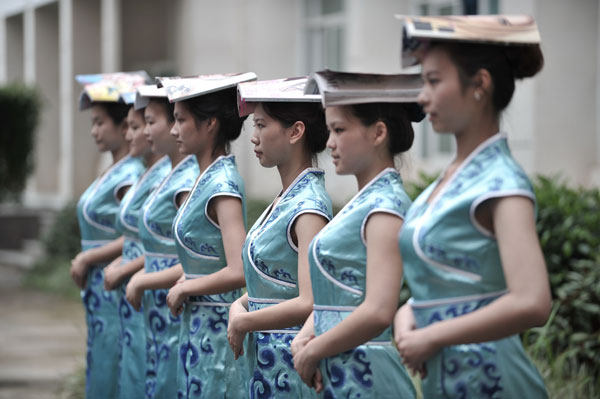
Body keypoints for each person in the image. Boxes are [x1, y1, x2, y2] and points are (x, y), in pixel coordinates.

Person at [393, 15, 551, 399]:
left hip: (493, 382)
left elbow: (533, 301)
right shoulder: (447, 181)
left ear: (479, 84)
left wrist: (432, 335)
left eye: (433, 81)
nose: (422, 97)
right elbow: (457, 277)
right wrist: (409, 312)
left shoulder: (501, 183)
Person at [291, 70, 423, 398]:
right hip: (342, 369)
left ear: (378, 133)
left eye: (339, 130)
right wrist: (306, 336)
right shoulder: (365, 201)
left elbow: (378, 310)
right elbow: (334, 297)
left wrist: (314, 348)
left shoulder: (386, 206)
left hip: (366, 375)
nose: (330, 142)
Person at [147, 73, 254, 399]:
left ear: (210, 124)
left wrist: (186, 287)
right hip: (197, 327)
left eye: (180, 120)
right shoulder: (206, 178)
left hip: (216, 332)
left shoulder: (221, 185)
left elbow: (237, 270)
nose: (174, 129)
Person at [227, 77, 332, 398]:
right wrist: (238, 304)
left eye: (261, 125)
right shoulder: (287, 198)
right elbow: (275, 282)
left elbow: (310, 300)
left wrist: (245, 322)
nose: (254, 137)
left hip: (287, 361)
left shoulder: (308, 206)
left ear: (296, 131)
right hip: (267, 358)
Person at [71, 72, 147, 399]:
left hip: (116, 286)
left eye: (101, 123)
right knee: (102, 362)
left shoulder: (131, 174)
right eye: (93, 123)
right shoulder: (116, 169)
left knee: (118, 368)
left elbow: (137, 234)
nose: (94, 131)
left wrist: (89, 257)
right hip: (101, 289)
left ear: (123, 126)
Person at [124, 87, 199, 399]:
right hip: (160, 304)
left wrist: (142, 278)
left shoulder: (187, 181)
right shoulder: (172, 175)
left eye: (148, 121)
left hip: (173, 305)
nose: (166, 129)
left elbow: (200, 260)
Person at [103, 87, 172, 399]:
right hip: (141, 289)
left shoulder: (171, 179)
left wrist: (129, 270)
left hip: (156, 292)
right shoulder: (152, 175)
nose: (135, 133)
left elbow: (173, 250)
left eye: (142, 124)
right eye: (133, 125)